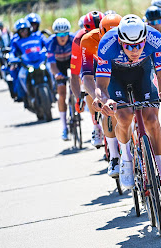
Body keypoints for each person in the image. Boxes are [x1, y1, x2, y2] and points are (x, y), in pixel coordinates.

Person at [94, 14, 161, 203]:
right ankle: (125, 157)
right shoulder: (108, 43)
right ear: (120, 40)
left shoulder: (154, 38)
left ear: (145, 38)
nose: (135, 50)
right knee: (123, 117)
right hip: (116, 77)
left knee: (152, 121)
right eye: (129, 46)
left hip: (142, 72)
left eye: (139, 45)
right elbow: (100, 84)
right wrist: (104, 100)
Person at [77, 14, 122, 178]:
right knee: (108, 109)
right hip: (100, 73)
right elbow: (86, 76)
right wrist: (99, 96)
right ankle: (114, 156)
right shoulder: (87, 41)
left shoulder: (128, 36)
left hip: (122, 69)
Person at [70, 11, 105, 147]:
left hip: (104, 60)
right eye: (92, 31)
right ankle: (96, 126)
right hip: (89, 62)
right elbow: (74, 74)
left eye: (99, 30)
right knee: (90, 87)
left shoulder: (109, 30)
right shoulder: (79, 40)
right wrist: (79, 97)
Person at [46, 18, 74, 140]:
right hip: (58, 65)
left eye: (65, 34)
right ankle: (64, 127)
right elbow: (52, 65)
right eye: (60, 34)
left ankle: (76, 106)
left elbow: (78, 60)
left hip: (71, 62)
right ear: (55, 34)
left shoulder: (73, 40)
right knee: (61, 94)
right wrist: (57, 74)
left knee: (76, 81)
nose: (63, 37)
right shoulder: (50, 42)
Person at [9, 18, 45, 103]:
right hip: (26, 64)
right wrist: (12, 59)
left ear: (29, 29)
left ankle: (54, 88)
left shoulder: (38, 36)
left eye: (25, 30)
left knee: (51, 69)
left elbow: (47, 44)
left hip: (40, 61)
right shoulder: (16, 40)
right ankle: (22, 95)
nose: (23, 33)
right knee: (19, 76)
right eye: (21, 31)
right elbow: (12, 52)